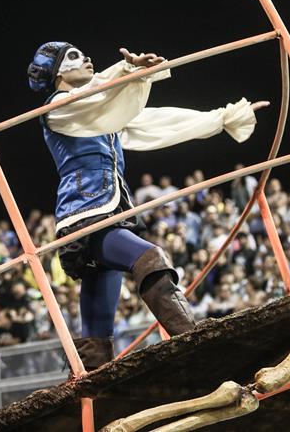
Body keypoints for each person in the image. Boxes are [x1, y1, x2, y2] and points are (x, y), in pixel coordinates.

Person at [27, 42, 268, 368]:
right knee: (149, 259)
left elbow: (158, 122)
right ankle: (195, 348)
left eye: (84, 52)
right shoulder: (59, 108)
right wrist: (126, 72)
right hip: (84, 217)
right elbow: (97, 103)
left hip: (108, 214)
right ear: (57, 73)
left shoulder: (104, 113)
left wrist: (223, 118)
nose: (86, 57)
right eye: (72, 56)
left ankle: (86, 405)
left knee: (97, 337)